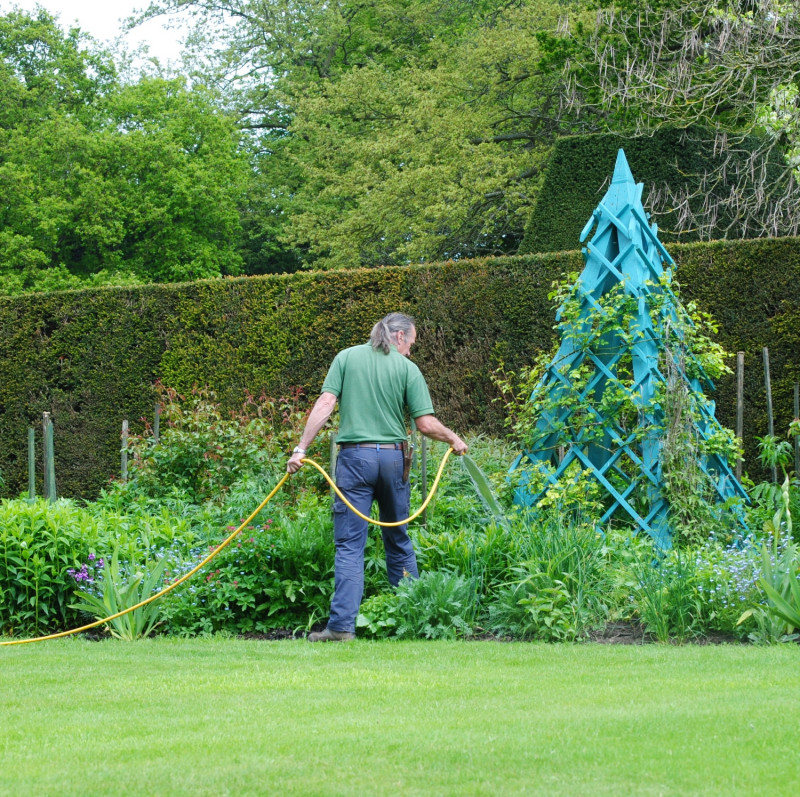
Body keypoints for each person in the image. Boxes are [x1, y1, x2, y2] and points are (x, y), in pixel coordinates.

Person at [286, 312, 468, 642]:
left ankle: (341, 628)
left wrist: (301, 448)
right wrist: (454, 439)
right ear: (398, 337)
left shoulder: (346, 358)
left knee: (350, 546)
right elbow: (425, 424)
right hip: (394, 460)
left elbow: (326, 402)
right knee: (398, 540)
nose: (411, 352)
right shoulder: (407, 369)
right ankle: (413, 620)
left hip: (356, 459)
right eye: (411, 344)